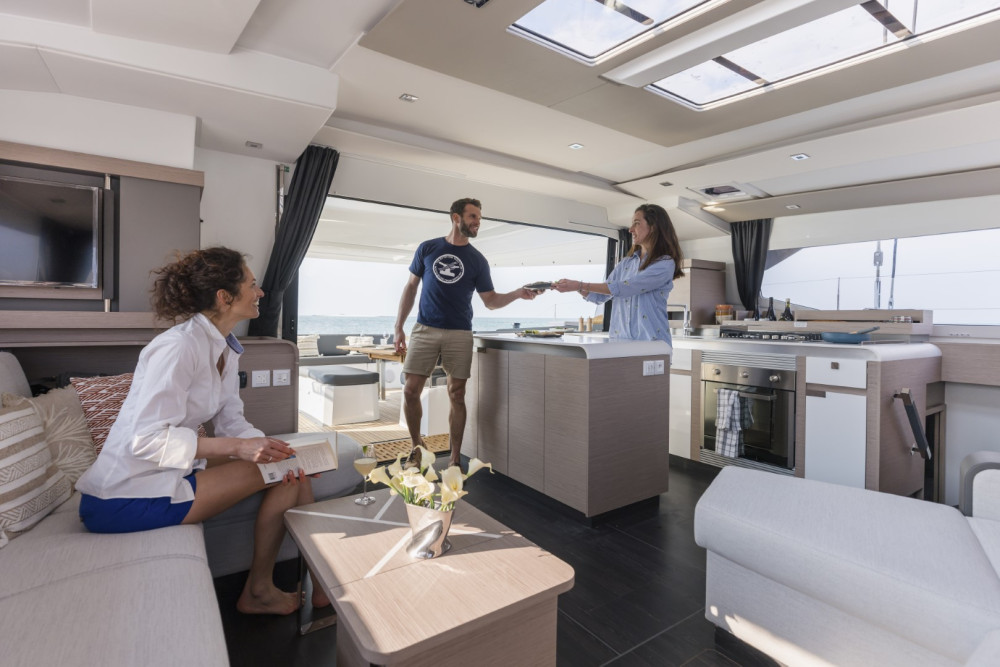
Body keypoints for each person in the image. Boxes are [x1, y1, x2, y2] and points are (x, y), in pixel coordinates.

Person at [75, 247, 325, 616]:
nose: (260, 293)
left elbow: (231, 421)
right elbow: (146, 440)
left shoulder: (225, 348)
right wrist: (240, 449)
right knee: (286, 469)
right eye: (252, 285)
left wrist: (271, 448)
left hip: (164, 472)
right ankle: (298, 588)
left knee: (291, 468)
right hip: (122, 495)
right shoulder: (178, 347)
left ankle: (297, 586)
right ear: (225, 297)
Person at [394, 198, 538, 469]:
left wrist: (518, 293)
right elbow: (411, 287)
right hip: (424, 329)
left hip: (460, 333)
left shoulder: (477, 260)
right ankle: (417, 448)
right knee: (411, 391)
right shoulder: (428, 248)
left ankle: (454, 459)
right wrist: (398, 327)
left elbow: (490, 301)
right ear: (455, 217)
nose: (477, 222)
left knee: (457, 394)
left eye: (479, 218)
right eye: (473, 217)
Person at [553, 203, 684, 344]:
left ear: (653, 227)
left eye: (637, 223)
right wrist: (574, 287)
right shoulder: (626, 263)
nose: (630, 229)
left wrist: (579, 285)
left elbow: (626, 288)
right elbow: (600, 296)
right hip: (620, 344)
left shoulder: (664, 263)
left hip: (652, 345)